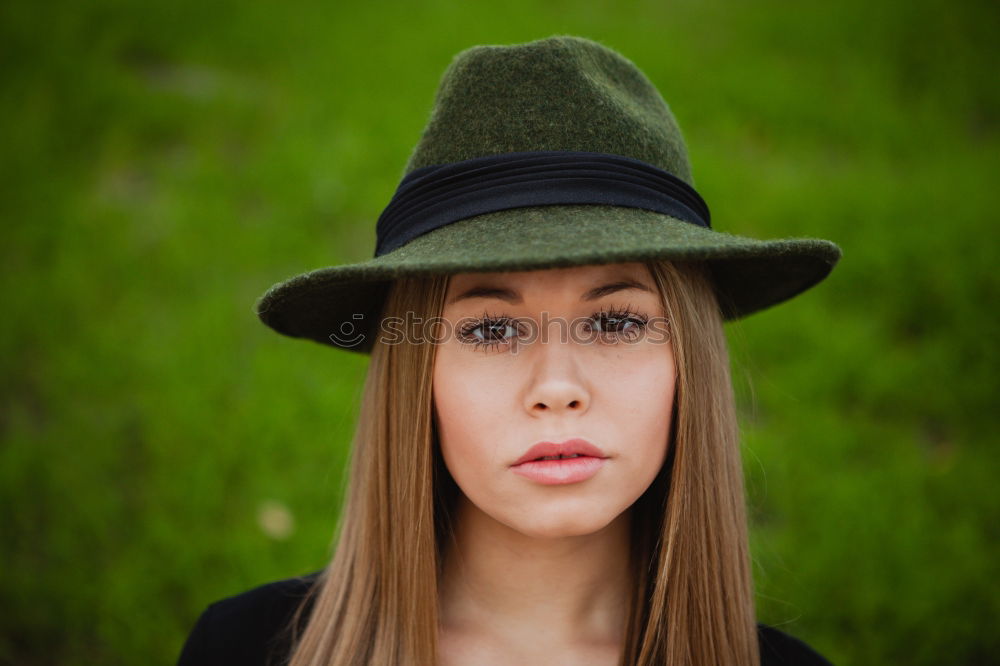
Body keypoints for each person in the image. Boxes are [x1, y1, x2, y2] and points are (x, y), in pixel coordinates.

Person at [178, 35, 841, 665]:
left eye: (614, 323)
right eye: (492, 330)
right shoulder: (247, 649)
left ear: (687, 362)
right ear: (418, 377)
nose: (556, 386)